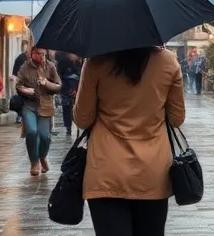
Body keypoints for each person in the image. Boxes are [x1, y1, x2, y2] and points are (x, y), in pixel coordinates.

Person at [73, 46, 186, 236]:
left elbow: (83, 119)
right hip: (152, 171)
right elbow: (177, 118)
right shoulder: (168, 61)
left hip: (106, 170)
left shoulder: (96, 62)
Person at [15, 45, 62, 176]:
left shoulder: (50, 66)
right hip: (30, 105)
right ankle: (34, 162)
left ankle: (42, 156)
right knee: (31, 131)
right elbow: (18, 85)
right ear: (32, 54)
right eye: (38, 54)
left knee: (45, 136)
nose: (42, 56)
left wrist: (47, 83)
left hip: (45, 106)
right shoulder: (25, 67)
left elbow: (58, 86)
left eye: (43, 54)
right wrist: (26, 90)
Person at [58, 52, 82, 136]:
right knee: (66, 108)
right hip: (65, 89)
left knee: (77, 107)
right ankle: (68, 126)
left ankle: (78, 124)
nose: (73, 56)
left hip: (77, 87)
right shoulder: (63, 62)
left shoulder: (79, 62)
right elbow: (59, 75)